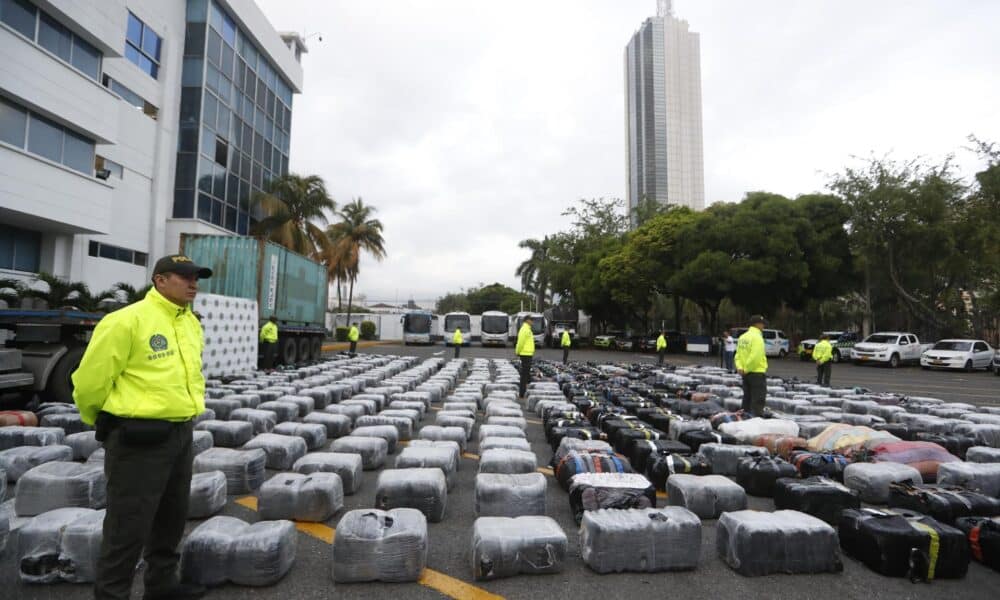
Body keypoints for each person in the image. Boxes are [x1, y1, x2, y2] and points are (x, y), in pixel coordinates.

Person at [72, 254, 211, 600]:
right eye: (184, 277)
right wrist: (104, 421)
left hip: (180, 432)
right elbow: (89, 382)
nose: (193, 283)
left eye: (196, 278)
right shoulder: (126, 321)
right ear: (160, 280)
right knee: (127, 527)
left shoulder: (190, 322)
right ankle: (112, 594)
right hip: (138, 438)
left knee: (171, 517)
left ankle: (161, 587)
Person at [735, 315, 768, 416]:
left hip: (745, 374)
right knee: (758, 399)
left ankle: (745, 418)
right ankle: (756, 423)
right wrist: (747, 368)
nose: (763, 326)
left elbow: (737, 355)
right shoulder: (757, 337)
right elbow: (755, 357)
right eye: (763, 324)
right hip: (756, 372)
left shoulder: (743, 337)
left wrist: (740, 368)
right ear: (757, 324)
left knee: (747, 398)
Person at [516, 315, 535, 398]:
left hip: (528, 354)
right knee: (524, 375)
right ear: (527, 320)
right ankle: (521, 393)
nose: (532, 322)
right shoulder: (524, 329)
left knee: (526, 375)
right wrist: (518, 352)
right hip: (525, 354)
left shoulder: (527, 329)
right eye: (531, 320)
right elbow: (520, 342)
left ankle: (524, 391)